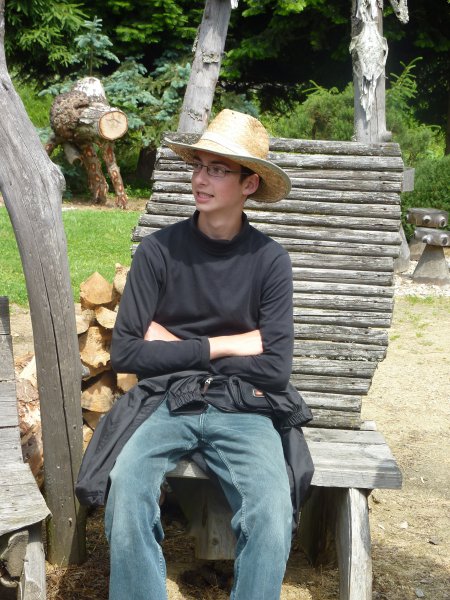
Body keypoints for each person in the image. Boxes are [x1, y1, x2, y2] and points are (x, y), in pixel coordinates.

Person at [92, 109, 313, 600]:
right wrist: (226, 344)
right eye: (198, 166)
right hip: (166, 401)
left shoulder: (269, 261)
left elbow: (275, 369)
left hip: (243, 406)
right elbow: (126, 352)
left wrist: (171, 345)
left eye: (217, 169)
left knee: (272, 508)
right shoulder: (158, 252)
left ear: (249, 184)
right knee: (126, 487)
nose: (200, 178)